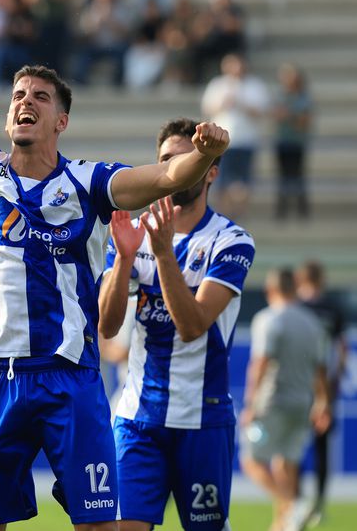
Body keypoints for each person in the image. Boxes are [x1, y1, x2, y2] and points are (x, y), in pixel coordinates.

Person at [0, 0, 231, 530]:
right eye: (17, 96)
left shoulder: (88, 182)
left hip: (69, 379)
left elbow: (163, 176)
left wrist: (203, 155)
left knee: (101, 525)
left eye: (39, 97)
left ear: (62, 119)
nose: (23, 103)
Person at [98, 117, 256, 531]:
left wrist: (164, 255)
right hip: (137, 420)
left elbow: (193, 325)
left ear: (210, 171)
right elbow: (107, 325)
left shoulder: (231, 240)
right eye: (166, 159)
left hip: (202, 420)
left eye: (186, 158)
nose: (174, 167)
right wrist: (125, 259)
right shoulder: (135, 234)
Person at [240, 268, 331, 531]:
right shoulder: (313, 323)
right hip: (303, 404)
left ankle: (293, 505)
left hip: (273, 402)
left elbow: (260, 363)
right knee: (286, 465)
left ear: (270, 291)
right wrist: (323, 403)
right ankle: (283, 525)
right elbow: (321, 369)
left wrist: (250, 404)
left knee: (252, 461)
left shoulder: (269, 319)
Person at [295, 260, 348, 527]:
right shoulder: (333, 309)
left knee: (291, 445)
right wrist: (335, 380)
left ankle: (293, 500)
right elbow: (341, 349)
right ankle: (318, 502)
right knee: (321, 447)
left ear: (300, 279)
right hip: (325, 386)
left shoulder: (296, 308)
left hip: (299, 385)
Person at [200, 53, 270, 219]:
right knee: (221, 180)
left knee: (244, 181)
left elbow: (261, 112)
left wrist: (241, 104)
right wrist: (225, 102)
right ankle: (223, 215)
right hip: (222, 142)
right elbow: (208, 109)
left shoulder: (255, 85)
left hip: (246, 140)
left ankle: (240, 215)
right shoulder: (218, 85)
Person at [273, 63, 312, 221]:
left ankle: (302, 210)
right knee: (282, 176)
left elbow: (303, 121)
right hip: (283, 140)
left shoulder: (303, 97)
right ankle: (282, 210)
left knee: (298, 175)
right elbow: (276, 115)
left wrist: (288, 115)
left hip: (297, 142)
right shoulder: (281, 96)